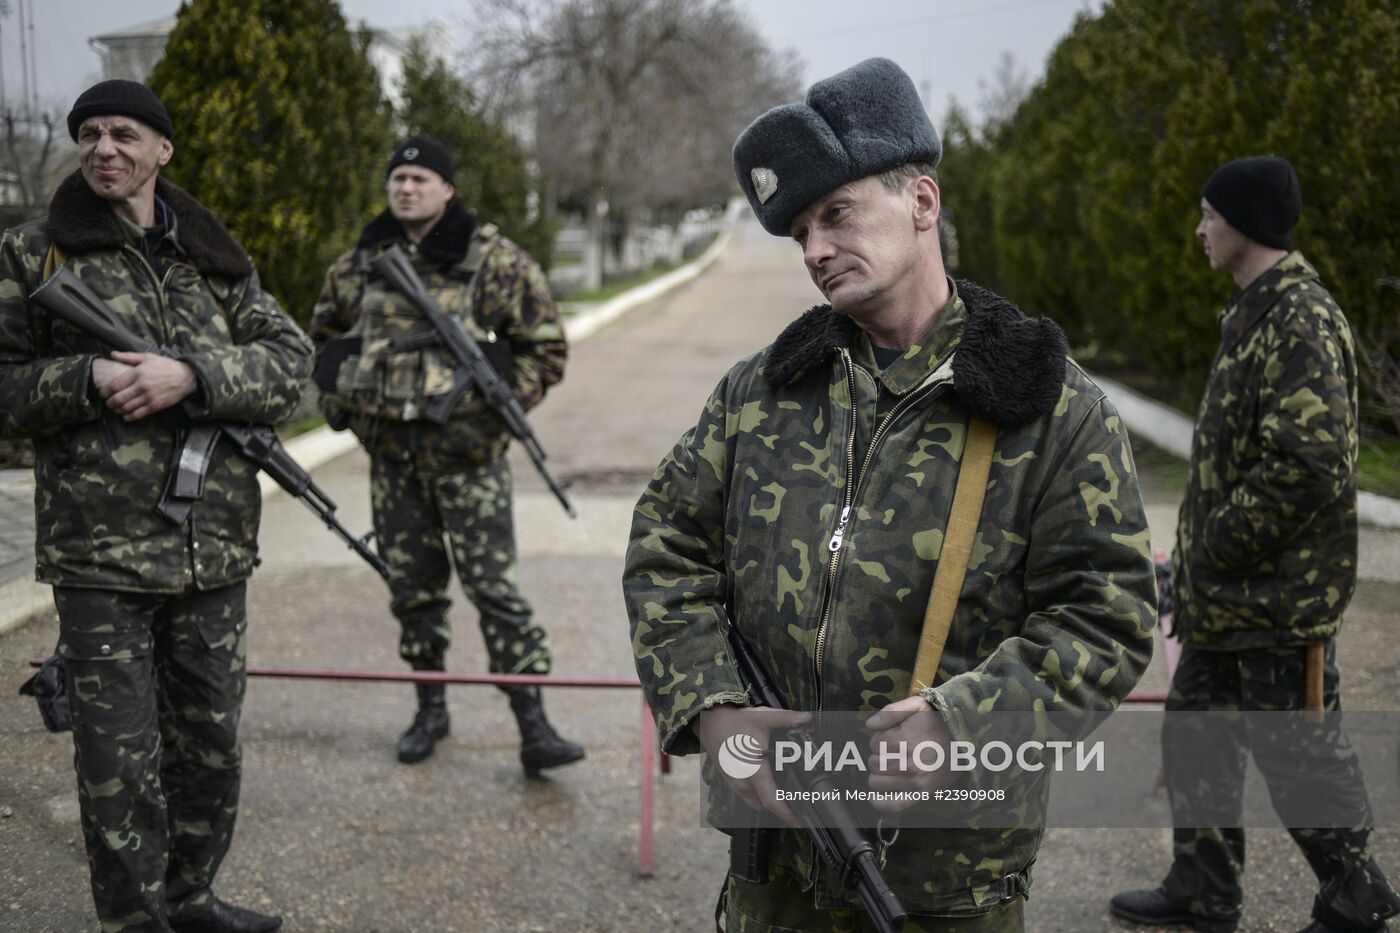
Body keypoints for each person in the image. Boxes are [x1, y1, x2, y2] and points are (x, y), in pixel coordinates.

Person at [622, 58, 1157, 932]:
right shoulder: (759, 394)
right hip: (774, 868)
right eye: (800, 231)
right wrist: (714, 711)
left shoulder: (1049, 406)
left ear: (923, 202)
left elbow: (1108, 615)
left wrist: (960, 723)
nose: (817, 250)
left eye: (837, 213)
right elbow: (664, 551)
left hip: (946, 881)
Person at [0, 80, 311, 933]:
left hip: (211, 554)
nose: (104, 147)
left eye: (124, 133)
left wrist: (196, 375)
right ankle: (135, 922)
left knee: (209, 749)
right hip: (100, 556)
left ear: (161, 150)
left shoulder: (210, 255)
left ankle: (193, 897)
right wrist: (84, 379)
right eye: (90, 134)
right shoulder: (35, 256)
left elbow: (292, 364)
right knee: (117, 762)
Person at [1110, 157, 1400, 933]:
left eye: (1208, 216)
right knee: (1196, 737)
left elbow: (1309, 466)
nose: (1200, 230)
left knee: (1300, 756)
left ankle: (1356, 898)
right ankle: (1203, 890)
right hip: (1226, 599)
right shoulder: (1254, 311)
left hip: (1277, 600)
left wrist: (1218, 548)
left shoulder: (1298, 318)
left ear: (1240, 224)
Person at [309, 136, 583, 773]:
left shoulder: (494, 262)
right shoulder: (359, 266)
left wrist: (491, 405)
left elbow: (545, 348)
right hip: (394, 467)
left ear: (447, 188)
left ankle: (533, 724)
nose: (405, 188)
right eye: (397, 177)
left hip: (470, 465)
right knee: (414, 595)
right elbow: (322, 347)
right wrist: (347, 409)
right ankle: (429, 710)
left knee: (496, 594)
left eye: (420, 178)